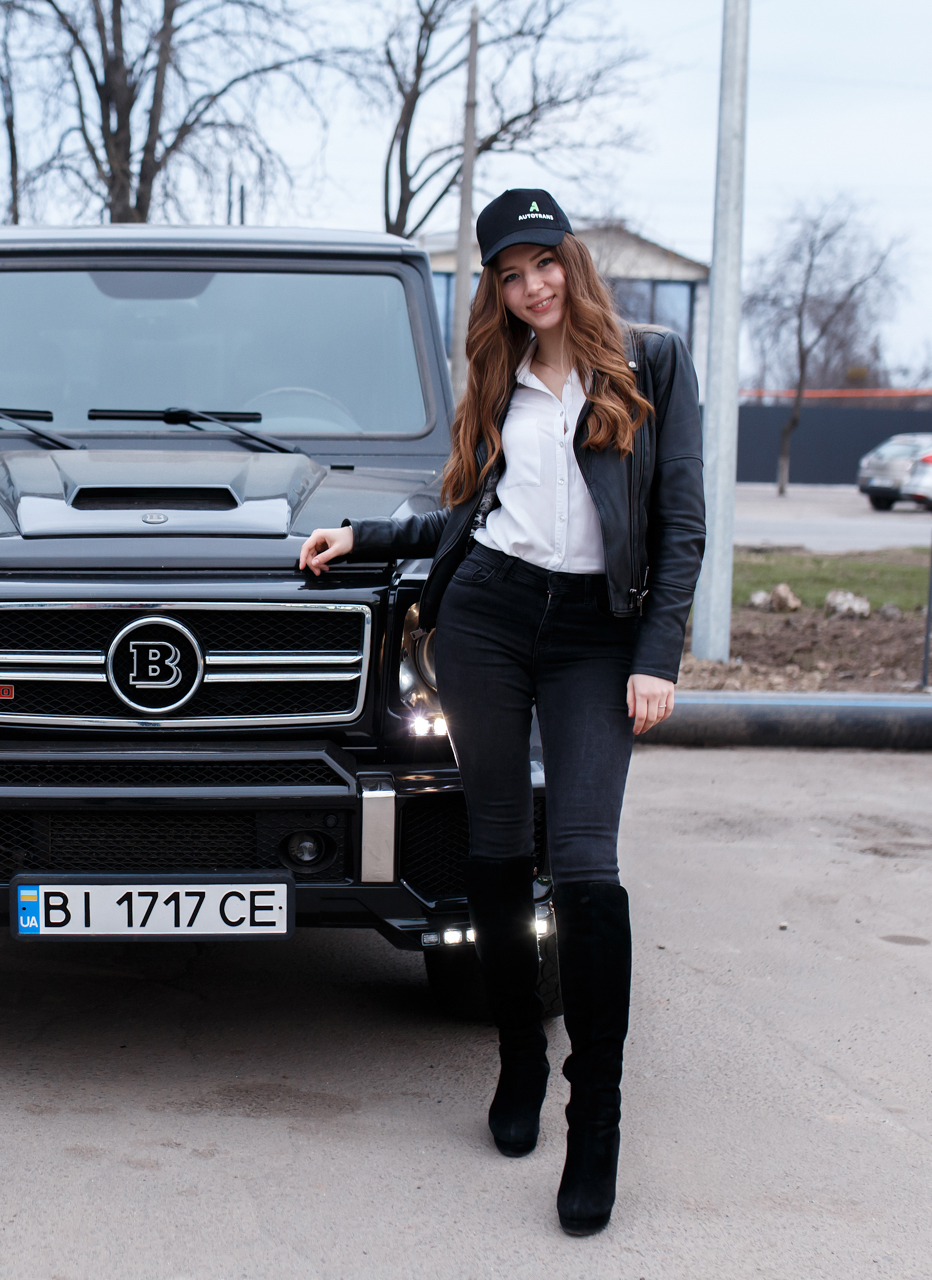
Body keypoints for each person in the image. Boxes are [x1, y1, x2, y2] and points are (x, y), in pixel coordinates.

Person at [299, 188, 704, 1235]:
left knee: (586, 864)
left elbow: (681, 522)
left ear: (572, 259)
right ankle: (518, 1056)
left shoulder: (651, 364)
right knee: (493, 845)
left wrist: (657, 656)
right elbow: (472, 513)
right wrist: (366, 536)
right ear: (495, 288)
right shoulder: (497, 373)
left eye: (544, 264)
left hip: (597, 633)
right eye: (511, 276)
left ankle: (595, 1116)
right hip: (488, 616)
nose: (533, 288)